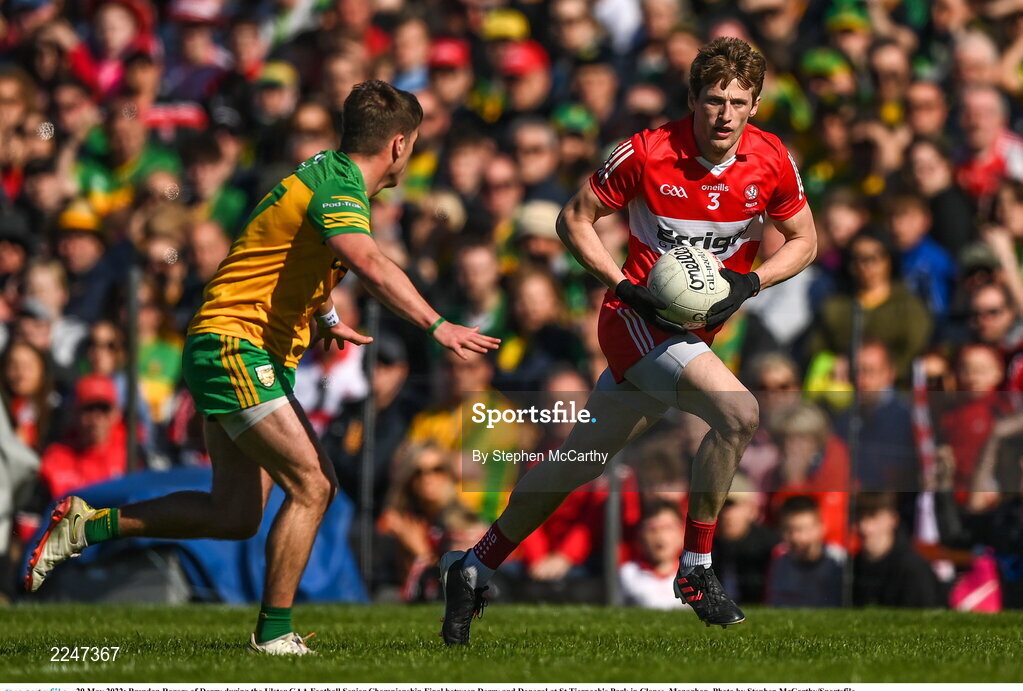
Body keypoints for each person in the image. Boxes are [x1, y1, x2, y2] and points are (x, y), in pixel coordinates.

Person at [25, 81, 500, 655]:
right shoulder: (341, 186)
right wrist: (437, 325)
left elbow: (280, 249)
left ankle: (87, 525)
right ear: (400, 145)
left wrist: (323, 312)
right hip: (236, 346)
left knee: (235, 514)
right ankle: (273, 635)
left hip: (232, 347)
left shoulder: (322, 172)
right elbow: (370, 261)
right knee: (315, 485)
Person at [439, 37, 817, 643]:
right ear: (692, 97)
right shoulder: (647, 151)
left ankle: (471, 566)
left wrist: (748, 282)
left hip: (691, 335)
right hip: (634, 320)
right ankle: (695, 567)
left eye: (738, 101)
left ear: (755, 104)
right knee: (740, 412)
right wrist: (623, 283)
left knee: (575, 466)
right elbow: (573, 218)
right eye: (714, 99)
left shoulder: (771, 160)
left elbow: (804, 240)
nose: (724, 113)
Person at [853, 493, 944, 608]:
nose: (863, 527)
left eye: (872, 516)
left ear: (893, 519)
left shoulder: (912, 569)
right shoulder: (853, 567)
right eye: (859, 517)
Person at [764, 495, 845, 608]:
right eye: (789, 530)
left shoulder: (839, 561)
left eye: (803, 529)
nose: (797, 537)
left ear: (821, 528)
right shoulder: (779, 563)